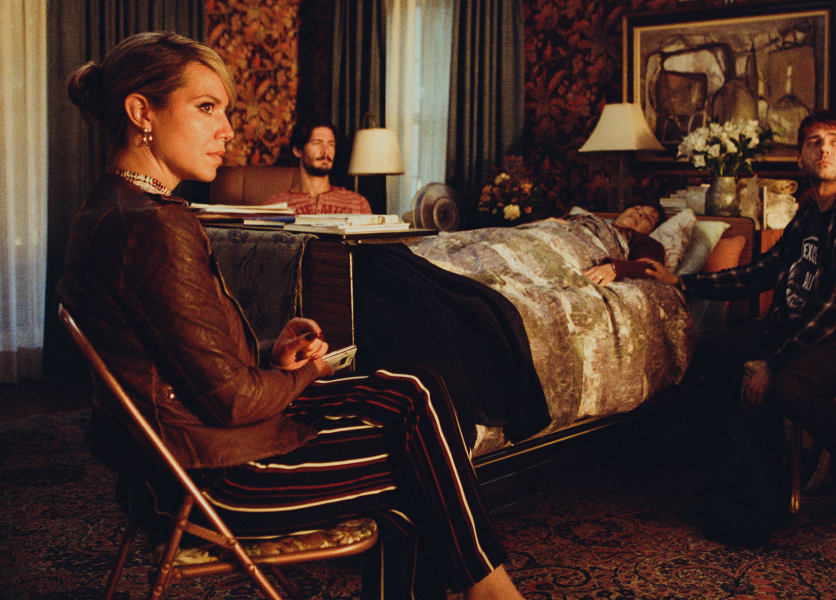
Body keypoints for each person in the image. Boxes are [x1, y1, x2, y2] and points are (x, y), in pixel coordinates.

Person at [59, 31, 525, 600]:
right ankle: (493, 590)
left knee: (414, 391)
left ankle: (486, 586)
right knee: (425, 464)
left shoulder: (112, 206)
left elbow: (172, 354)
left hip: (165, 456)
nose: (226, 129)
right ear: (142, 112)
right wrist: (308, 372)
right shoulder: (153, 225)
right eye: (206, 108)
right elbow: (227, 400)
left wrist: (270, 358)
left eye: (224, 111)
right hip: (212, 477)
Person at [645, 109, 836, 545]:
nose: (824, 149)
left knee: (786, 386)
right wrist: (680, 281)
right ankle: (751, 473)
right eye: (814, 142)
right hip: (797, 329)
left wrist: (773, 366)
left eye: (835, 142)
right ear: (800, 158)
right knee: (712, 352)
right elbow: (760, 273)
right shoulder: (807, 213)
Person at [265, 116, 372, 214]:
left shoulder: (358, 204)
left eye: (331, 144)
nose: (326, 151)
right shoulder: (274, 206)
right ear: (298, 151)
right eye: (317, 143)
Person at [579, 202, 667, 285]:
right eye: (636, 208)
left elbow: (649, 268)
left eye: (649, 218)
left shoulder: (647, 241)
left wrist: (616, 268)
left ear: (652, 231)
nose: (640, 212)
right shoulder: (590, 220)